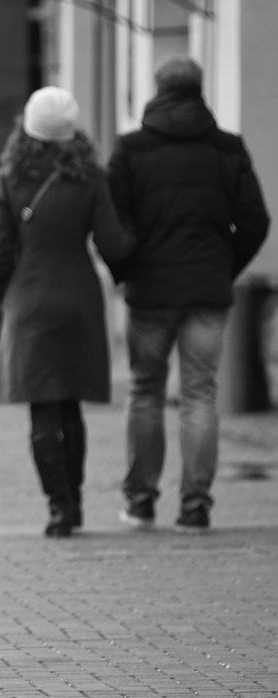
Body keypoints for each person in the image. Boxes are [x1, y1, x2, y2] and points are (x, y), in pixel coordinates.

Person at [107, 56, 270, 533]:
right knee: (200, 394)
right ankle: (195, 506)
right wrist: (223, 267)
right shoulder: (228, 148)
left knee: (145, 392)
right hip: (207, 290)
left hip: (150, 291)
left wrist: (126, 271)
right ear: (200, 91)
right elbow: (256, 220)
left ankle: (140, 503)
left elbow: (111, 224)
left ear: (157, 90)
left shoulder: (130, 149)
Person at [0, 86, 135, 537]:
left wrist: (5, 294)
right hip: (79, 300)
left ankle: (58, 509)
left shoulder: (11, 175)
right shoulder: (90, 175)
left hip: (29, 299)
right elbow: (113, 243)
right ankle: (77, 502)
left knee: (43, 410)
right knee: (71, 406)